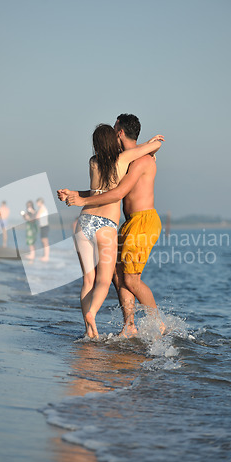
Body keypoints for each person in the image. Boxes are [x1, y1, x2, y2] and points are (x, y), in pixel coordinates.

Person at [62, 114, 165, 337]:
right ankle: (129, 325)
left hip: (141, 220)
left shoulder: (135, 160)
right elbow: (101, 190)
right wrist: (77, 194)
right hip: (121, 223)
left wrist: (81, 200)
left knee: (128, 279)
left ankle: (159, 325)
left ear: (119, 132)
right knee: (116, 277)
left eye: (115, 125)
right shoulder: (122, 159)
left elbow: (116, 193)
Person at [36, 197, 50, 262]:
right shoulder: (42, 208)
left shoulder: (42, 208)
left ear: (40, 202)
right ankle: (45, 256)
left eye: (37, 202)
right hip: (43, 226)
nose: (36, 204)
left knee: (45, 241)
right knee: (44, 241)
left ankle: (46, 256)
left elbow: (37, 217)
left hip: (44, 226)